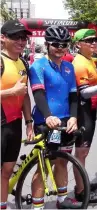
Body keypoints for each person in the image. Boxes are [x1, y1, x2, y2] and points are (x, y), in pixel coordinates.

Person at [29, 25, 81, 209]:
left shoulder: (68, 67)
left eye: (64, 44)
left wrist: (74, 117)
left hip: (66, 121)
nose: (60, 47)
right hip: (47, 122)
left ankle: (62, 199)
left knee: (63, 161)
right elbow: (39, 94)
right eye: (56, 44)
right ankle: (37, 206)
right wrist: (48, 116)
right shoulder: (38, 66)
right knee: (45, 165)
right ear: (47, 44)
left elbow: (74, 95)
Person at [0, 19, 34, 210]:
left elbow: (25, 95)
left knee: (6, 171)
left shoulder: (22, 62)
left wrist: (28, 122)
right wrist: (11, 93)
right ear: (3, 38)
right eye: (16, 37)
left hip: (15, 124)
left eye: (23, 37)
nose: (21, 41)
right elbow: (16, 92)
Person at [71, 28, 97, 202]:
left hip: (90, 110)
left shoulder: (90, 60)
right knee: (81, 153)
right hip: (83, 110)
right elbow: (84, 93)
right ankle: (80, 190)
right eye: (89, 41)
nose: (94, 43)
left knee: (84, 152)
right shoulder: (80, 63)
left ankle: (82, 182)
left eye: (95, 40)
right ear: (78, 44)